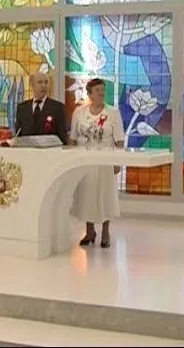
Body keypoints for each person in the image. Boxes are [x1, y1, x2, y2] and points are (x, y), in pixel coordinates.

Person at [69, 78, 125, 248]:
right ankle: (89, 231)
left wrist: (118, 162)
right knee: (87, 195)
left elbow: (120, 140)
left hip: (105, 161)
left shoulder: (112, 113)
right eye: (97, 90)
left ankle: (106, 232)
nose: (101, 93)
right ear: (89, 94)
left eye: (103, 90)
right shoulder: (79, 112)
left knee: (105, 196)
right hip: (84, 161)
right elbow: (73, 138)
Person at [15, 72, 68, 144]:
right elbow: (18, 135)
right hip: (27, 148)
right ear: (32, 84)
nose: (43, 85)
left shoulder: (57, 108)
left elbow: (63, 137)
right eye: (40, 82)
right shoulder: (22, 108)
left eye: (46, 82)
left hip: (50, 149)